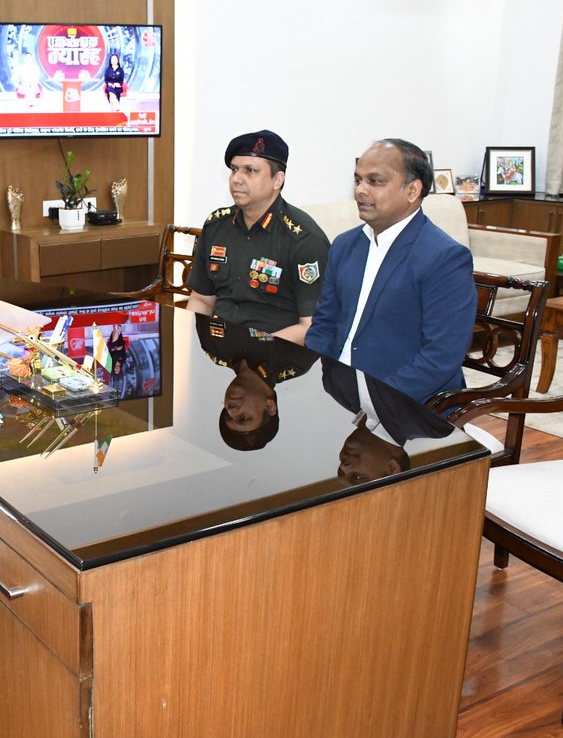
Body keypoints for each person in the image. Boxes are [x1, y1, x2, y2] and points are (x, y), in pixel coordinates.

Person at [305, 139, 477, 404]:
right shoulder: (344, 245)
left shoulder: (445, 258)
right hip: (337, 393)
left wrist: (373, 402)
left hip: (404, 402)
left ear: (412, 190)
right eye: (358, 180)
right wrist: (317, 383)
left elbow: (440, 357)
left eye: (375, 182)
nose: (361, 190)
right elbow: (324, 323)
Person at [185, 130, 329, 346]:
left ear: (277, 180)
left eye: (250, 171)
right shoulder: (216, 226)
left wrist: (256, 350)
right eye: (234, 170)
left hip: (276, 355)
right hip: (221, 350)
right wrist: (192, 347)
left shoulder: (304, 239)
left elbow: (311, 325)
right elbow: (201, 300)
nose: (237, 179)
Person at [195, 313, 317, 451]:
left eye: (227, 416)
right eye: (243, 418)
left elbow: (202, 298)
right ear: (270, 406)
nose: (231, 410)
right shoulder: (297, 357)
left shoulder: (214, 349)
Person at [320, 359, 452, 485]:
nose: (344, 466)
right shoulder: (433, 423)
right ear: (392, 468)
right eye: (358, 477)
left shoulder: (335, 387)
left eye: (340, 472)